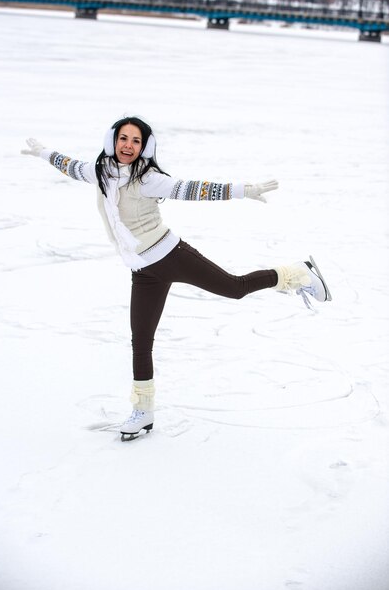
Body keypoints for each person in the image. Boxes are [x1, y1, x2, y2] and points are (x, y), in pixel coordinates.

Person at [22, 116, 331, 441]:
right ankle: (143, 412)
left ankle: (297, 274)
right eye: (123, 138)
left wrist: (243, 190)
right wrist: (43, 152)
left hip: (171, 256)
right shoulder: (99, 172)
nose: (128, 145)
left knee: (235, 288)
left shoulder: (147, 179)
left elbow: (191, 189)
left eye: (136, 141)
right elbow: (69, 166)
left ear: (145, 147)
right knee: (140, 342)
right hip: (142, 271)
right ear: (112, 141)